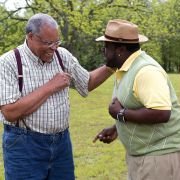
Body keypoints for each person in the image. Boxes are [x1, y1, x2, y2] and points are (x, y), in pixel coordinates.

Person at [0, 13, 114, 180]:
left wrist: (113, 65)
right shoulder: (8, 62)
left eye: (57, 42)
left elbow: (86, 83)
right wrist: (50, 87)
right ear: (31, 37)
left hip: (61, 144)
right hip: (24, 146)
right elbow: (10, 112)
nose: (54, 48)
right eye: (48, 43)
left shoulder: (62, 55)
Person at [93, 19, 180, 180]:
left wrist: (120, 114)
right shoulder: (126, 69)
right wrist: (118, 127)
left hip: (158, 158)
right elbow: (138, 104)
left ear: (120, 49)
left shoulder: (146, 71)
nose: (104, 51)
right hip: (142, 157)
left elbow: (161, 113)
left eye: (106, 47)